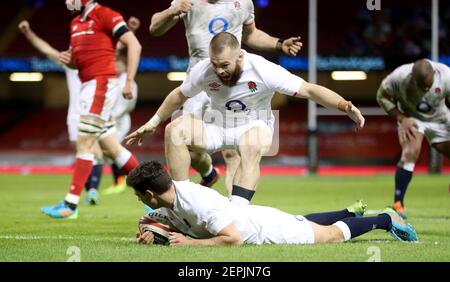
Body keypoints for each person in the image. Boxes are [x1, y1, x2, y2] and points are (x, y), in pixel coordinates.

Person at [126, 32, 365, 206]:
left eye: (225, 65)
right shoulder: (204, 70)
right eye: (215, 64)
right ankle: (180, 205)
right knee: (175, 130)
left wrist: (345, 106)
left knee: (250, 146)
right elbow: (179, 95)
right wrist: (153, 122)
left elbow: (310, 90)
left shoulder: (263, 70)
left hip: (254, 125)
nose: (219, 71)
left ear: (240, 56)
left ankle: (237, 213)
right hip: (217, 125)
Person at [149, 0, 303, 195]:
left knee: (233, 152)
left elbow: (251, 35)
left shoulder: (243, 3)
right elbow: (155, 28)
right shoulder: (188, 2)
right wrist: (173, 11)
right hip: (199, 81)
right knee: (191, 150)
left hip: (229, 84)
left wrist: (278, 44)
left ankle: (233, 209)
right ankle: (208, 172)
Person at [127, 161, 418, 246]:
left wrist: (189, 245)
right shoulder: (170, 196)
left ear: (151, 193)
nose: (140, 201)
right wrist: (150, 233)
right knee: (302, 221)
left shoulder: (198, 202)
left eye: (140, 196)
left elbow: (234, 240)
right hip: (253, 216)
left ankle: (385, 219)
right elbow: (155, 219)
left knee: (328, 237)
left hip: (263, 229)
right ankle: (347, 212)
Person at [41, 0, 141, 218]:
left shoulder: (105, 14)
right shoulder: (76, 23)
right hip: (89, 86)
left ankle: (71, 204)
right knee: (114, 149)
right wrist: (69, 61)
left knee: (85, 142)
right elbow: (78, 62)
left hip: (100, 85)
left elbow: (134, 45)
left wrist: (129, 81)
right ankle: (158, 193)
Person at [376, 59, 450, 218]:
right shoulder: (398, 77)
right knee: (410, 152)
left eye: (427, 86)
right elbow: (382, 96)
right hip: (411, 118)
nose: (424, 90)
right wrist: (402, 118)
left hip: (440, 119)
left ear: (434, 75)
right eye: (421, 86)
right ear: (412, 78)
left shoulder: (446, 76)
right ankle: (398, 204)